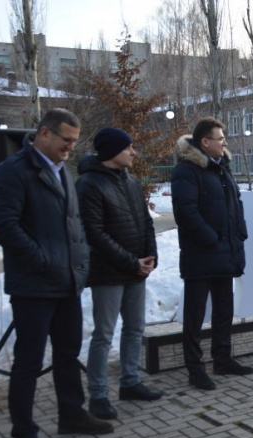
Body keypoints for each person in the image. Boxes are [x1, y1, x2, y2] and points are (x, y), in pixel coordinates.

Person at [0, 108, 113, 438]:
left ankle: (71, 414)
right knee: (28, 362)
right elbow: (3, 225)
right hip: (34, 286)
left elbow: (74, 226)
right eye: (65, 141)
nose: (71, 148)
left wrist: (80, 264)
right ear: (44, 134)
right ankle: (24, 437)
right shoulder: (12, 172)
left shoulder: (64, 173)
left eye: (74, 142)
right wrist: (43, 261)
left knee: (67, 353)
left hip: (67, 283)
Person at [76, 127, 163, 420]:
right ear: (113, 151)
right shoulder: (88, 184)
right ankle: (98, 395)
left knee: (135, 329)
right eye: (129, 148)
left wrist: (151, 256)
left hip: (136, 270)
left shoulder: (131, 182)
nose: (134, 152)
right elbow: (94, 233)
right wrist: (131, 262)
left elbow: (146, 223)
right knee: (103, 334)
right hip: (108, 273)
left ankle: (130, 382)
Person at [171, 117, 253, 390]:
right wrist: (211, 239)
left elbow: (235, 204)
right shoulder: (187, 171)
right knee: (194, 315)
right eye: (220, 138)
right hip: (201, 254)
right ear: (205, 142)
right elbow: (186, 211)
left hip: (224, 252)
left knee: (223, 310)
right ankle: (195, 369)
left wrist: (239, 232)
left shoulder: (222, 169)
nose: (225, 142)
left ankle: (222, 359)